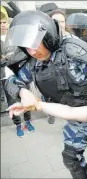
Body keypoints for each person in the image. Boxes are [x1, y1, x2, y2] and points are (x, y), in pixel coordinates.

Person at [3, 10, 87, 179]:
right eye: (27, 47)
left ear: (47, 37)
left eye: (35, 44)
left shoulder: (72, 52)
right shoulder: (34, 62)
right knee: (71, 160)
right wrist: (22, 92)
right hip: (73, 119)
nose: (31, 52)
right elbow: (11, 81)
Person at [1, 6, 35, 137]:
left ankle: (28, 121)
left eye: (4, 22)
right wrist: (7, 60)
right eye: (0, 23)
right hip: (6, 77)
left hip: (21, 73)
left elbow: (24, 53)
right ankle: (18, 125)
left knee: (27, 98)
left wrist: (8, 59)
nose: (3, 25)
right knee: (12, 102)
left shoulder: (15, 35)